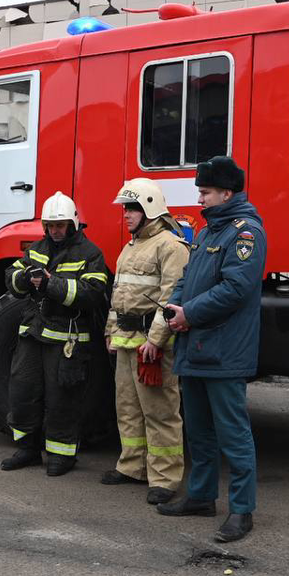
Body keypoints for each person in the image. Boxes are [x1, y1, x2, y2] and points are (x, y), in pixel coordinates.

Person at [157, 156, 266, 543]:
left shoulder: (245, 232)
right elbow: (188, 277)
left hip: (223, 350)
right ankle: (201, 497)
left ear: (226, 192)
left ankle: (241, 510)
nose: (199, 198)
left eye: (204, 192)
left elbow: (236, 289)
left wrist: (190, 314)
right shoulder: (207, 232)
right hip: (197, 345)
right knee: (200, 432)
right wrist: (174, 305)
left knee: (233, 434)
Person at [0, 192, 110, 476]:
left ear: (72, 224)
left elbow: (93, 294)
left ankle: (62, 455)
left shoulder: (90, 253)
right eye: (50, 225)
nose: (55, 231)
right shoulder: (36, 248)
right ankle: (27, 449)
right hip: (33, 334)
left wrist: (51, 284)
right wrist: (25, 278)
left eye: (60, 225)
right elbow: (12, 278)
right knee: (22, 390)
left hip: (66, 339)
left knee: (63, 398)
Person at [102, 179, 189, 505]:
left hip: (151, 346)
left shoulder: (170, 246)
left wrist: (155, 340)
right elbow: (118, 294)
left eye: (131, 208)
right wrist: (111, 331)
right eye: (125, 208)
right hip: (126, 341)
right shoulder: (131, 246)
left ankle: (165, 478)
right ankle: (132, 466)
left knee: (160, 411)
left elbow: (169, 299)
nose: (125, 215)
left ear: (149, 208)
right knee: (127, 409)